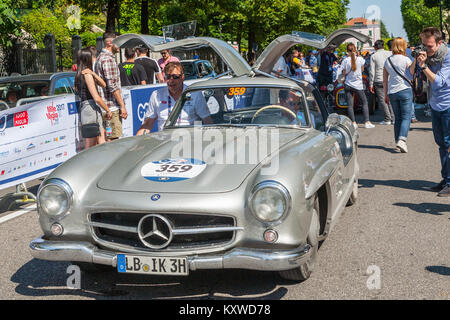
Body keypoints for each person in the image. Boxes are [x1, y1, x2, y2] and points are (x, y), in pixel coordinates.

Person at [407, 27, 450, 196]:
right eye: (423, 45)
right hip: (435, 104)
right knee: (441, 144)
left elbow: (439, 82)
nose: (426, 49)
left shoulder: (447, 56)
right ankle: (446, 177)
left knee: (448, 144)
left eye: (429, 46)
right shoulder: (427, 56)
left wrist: (424, 66)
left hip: (448, 105)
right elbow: (409, 74)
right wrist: (416, 60)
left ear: (440, 43)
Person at [137, 62, 212, 135]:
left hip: (189, 141)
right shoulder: (157, 95)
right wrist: (137, 144)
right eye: (168, 77)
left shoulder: (194, 94)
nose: (171, 80)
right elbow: (147, 124)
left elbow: (207, 120)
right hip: (164, 141)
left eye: (175, 77)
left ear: (182, 77)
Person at [75, 48, 112, 149]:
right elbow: (96, 97)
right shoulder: (86, 75)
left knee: (99, 141)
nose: (94, 58)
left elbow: (103, 84)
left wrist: (93, 73)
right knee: (91, 146)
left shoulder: (80, 74)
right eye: (92, 56)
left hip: (86, 110)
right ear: (87, 58)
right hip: (91, 109)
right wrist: (108, 110)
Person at [95, 32, 128, 141]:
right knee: (114, 141)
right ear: (110, 42)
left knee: (109, 139)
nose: (120, 45)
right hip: (111, 107)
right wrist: (122, 105)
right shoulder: (107, 59)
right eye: (118, 42)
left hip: (107, 107)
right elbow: (112, 86)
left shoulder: (102, 57)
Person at [383, 37, 414, 153]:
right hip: (405, 89)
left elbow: (385, 80)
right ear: (403, 46)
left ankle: (398, 142)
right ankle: (402, 140)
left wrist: (385, 94)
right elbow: (411, 75)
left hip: (392, 91)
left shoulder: (388, 61)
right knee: (406, 117)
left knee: (398, 118)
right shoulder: (406, 60)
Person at [342, 43, 374, 129]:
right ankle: (367, 122)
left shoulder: (345, 60)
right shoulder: (360, 59)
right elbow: (363, 69)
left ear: (347, 51)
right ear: (355, 50)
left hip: (348, 84)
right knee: (364, 102)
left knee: (350, 104)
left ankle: (353, 122)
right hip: (358, 85)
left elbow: (344, 72)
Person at [369, 39, 395, 125]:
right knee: (390, 99)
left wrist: (371, 84)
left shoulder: (374, 56)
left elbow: (372, 71)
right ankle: (393, 118)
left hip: (379, 80)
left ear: (375, 47)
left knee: (383, 100)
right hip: (390, 79)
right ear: (383, 46)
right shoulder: (390, 53)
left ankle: (387, 119)